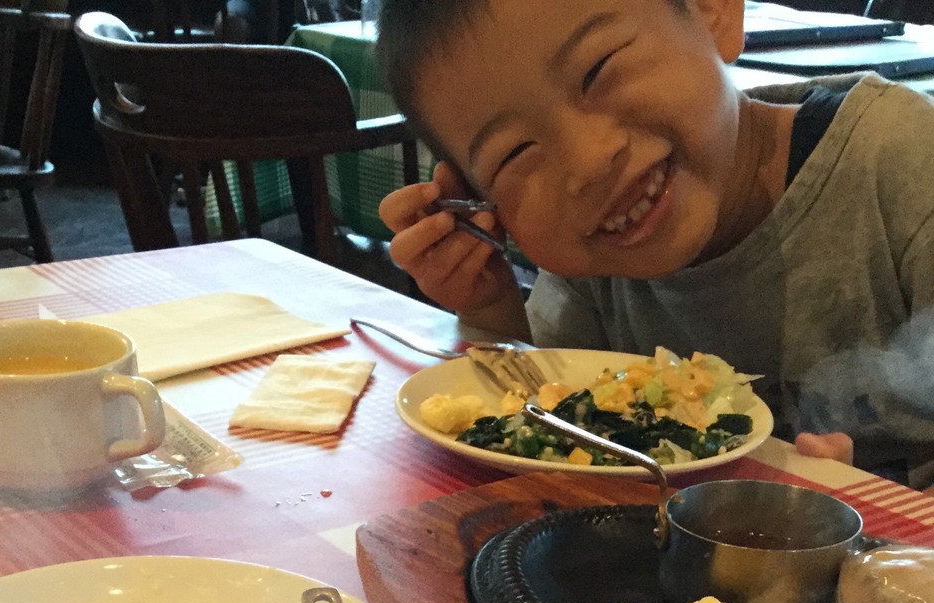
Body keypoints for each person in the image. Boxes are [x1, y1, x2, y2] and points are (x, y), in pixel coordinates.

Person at [377, 0, 934, 486]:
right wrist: (487, 304)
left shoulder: (904, 166)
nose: (587, 163)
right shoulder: (593, 262)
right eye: (515, 153)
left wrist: (882, 519)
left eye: (598, 70)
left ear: (711, 10)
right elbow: (547, 420)